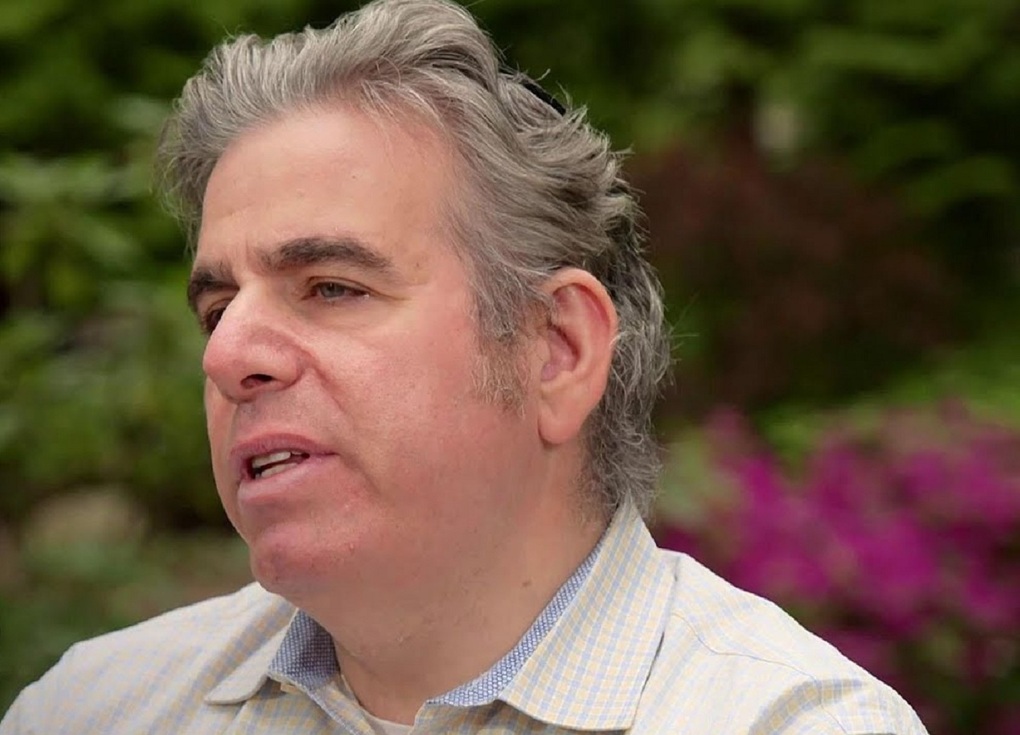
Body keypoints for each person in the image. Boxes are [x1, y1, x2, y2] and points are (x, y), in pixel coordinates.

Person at [1, 1, 930, 733]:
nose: (227, 353)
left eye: (331, 286)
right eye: (217, 308)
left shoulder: (789, 720)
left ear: (558, 350)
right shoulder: (93, 708)